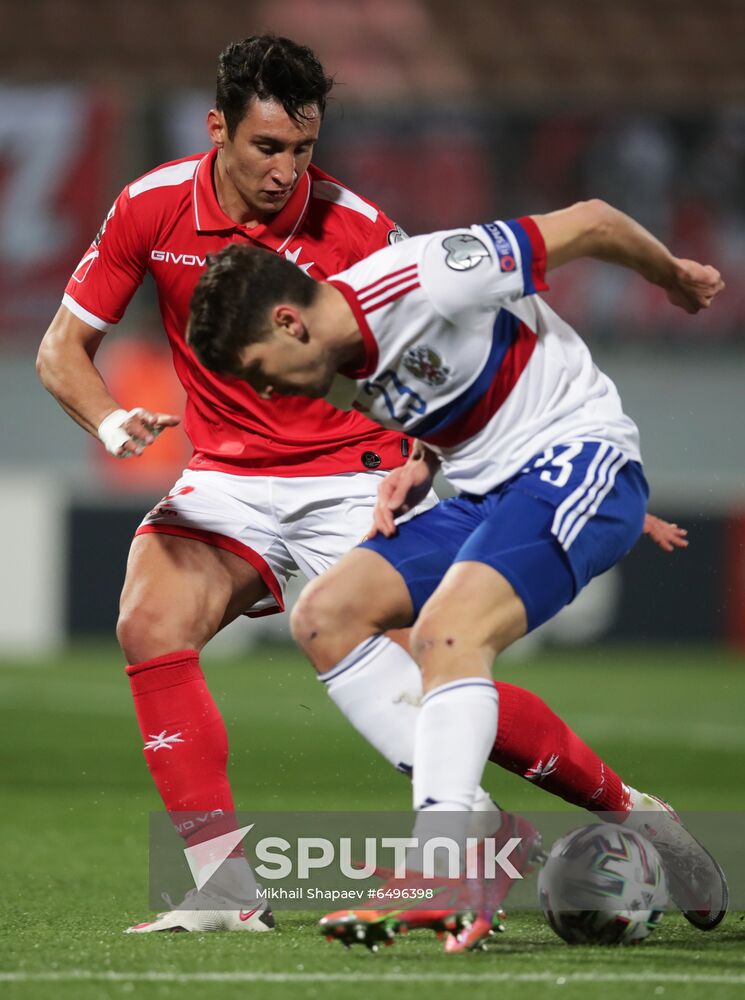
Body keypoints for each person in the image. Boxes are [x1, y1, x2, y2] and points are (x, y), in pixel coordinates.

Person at [37, 32, 687, 940]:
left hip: (356, 470)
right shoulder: (150, 206)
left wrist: (577, 474)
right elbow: (61, 348)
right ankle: (225, 887)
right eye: (266, 148)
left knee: (439, 660)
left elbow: (463, 366)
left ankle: (619, 809)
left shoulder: (361, 233)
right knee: (148, 619)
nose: (284, 172)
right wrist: (111, 423)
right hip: (226, 474)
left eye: (303, 150)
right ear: (218, 128)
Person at [187, 197, 728, 949]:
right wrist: (421, 462)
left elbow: (594, 221)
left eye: (259, 373)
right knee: (323, 613)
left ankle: (447, 857)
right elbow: (456, 390)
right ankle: (516, 825)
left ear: (288, 323)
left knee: (447, 634)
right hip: (487, 493)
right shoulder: (333, 365)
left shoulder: (427, 277)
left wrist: (671, 277)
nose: (267, 392)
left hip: (574, 461)